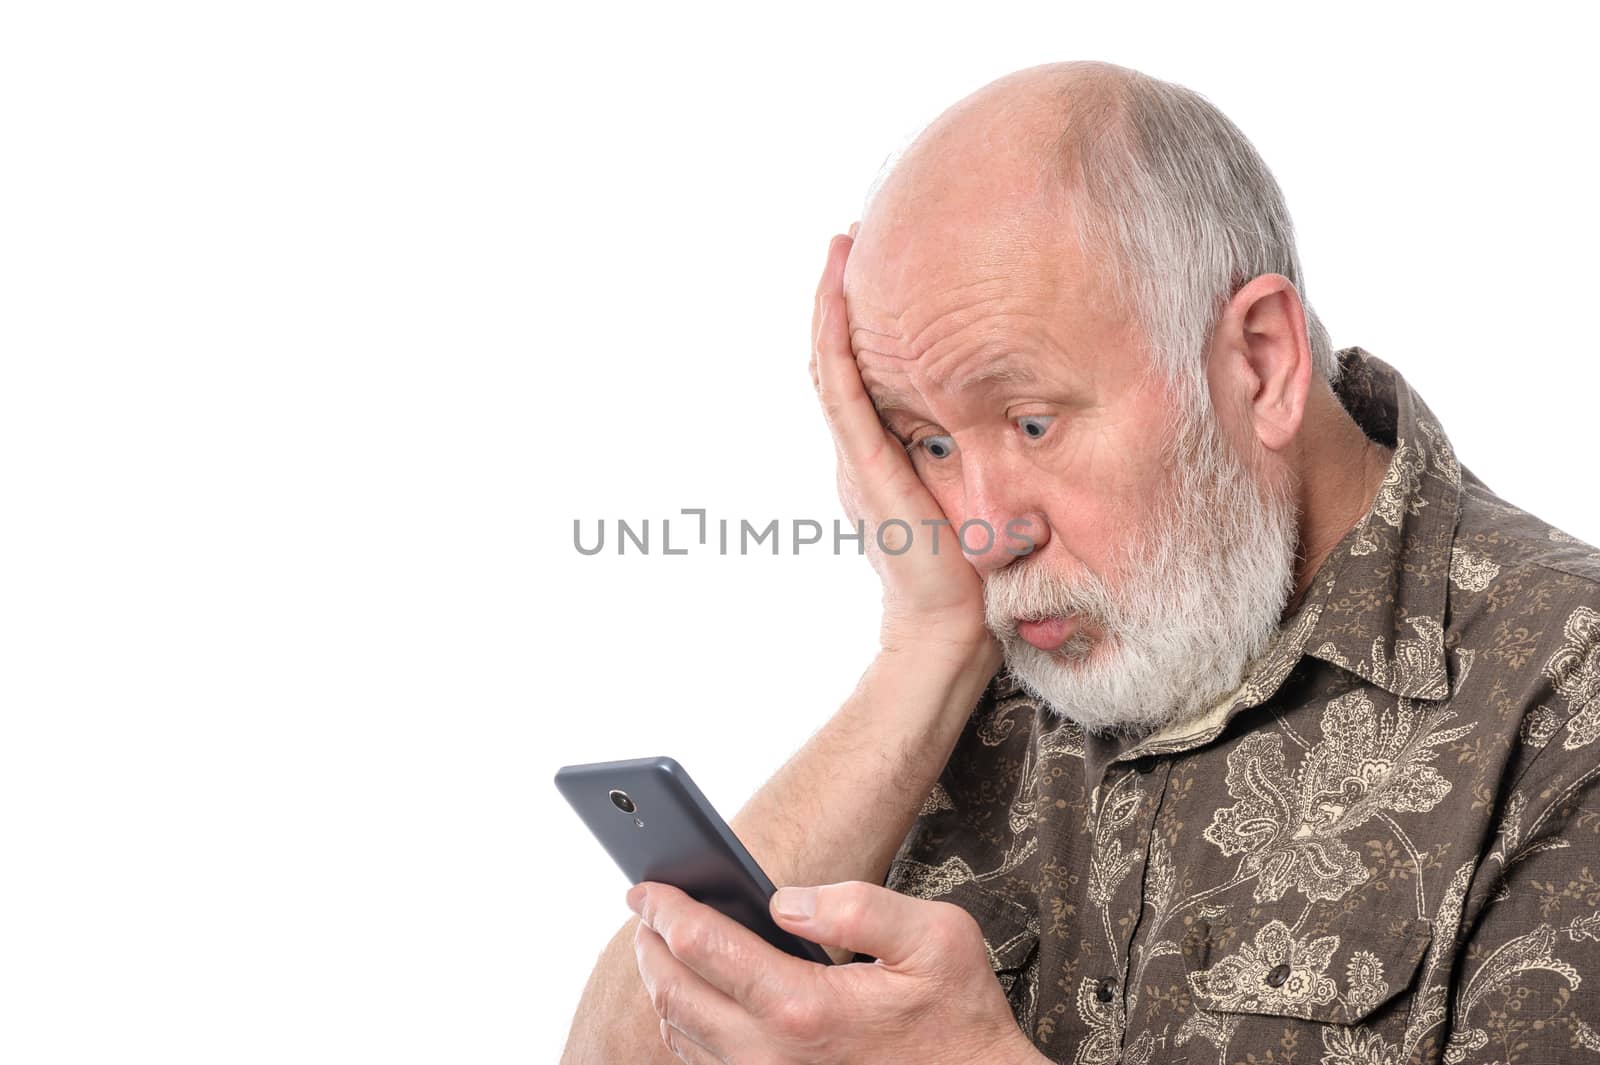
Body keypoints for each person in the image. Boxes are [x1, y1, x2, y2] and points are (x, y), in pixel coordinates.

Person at [559, 60, 1600, 1065]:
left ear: (1260, 363)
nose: (979, 530)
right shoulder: (989, 637)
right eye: (927, 441)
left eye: (1029, 421)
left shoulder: (1565, 690)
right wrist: (923, 650)